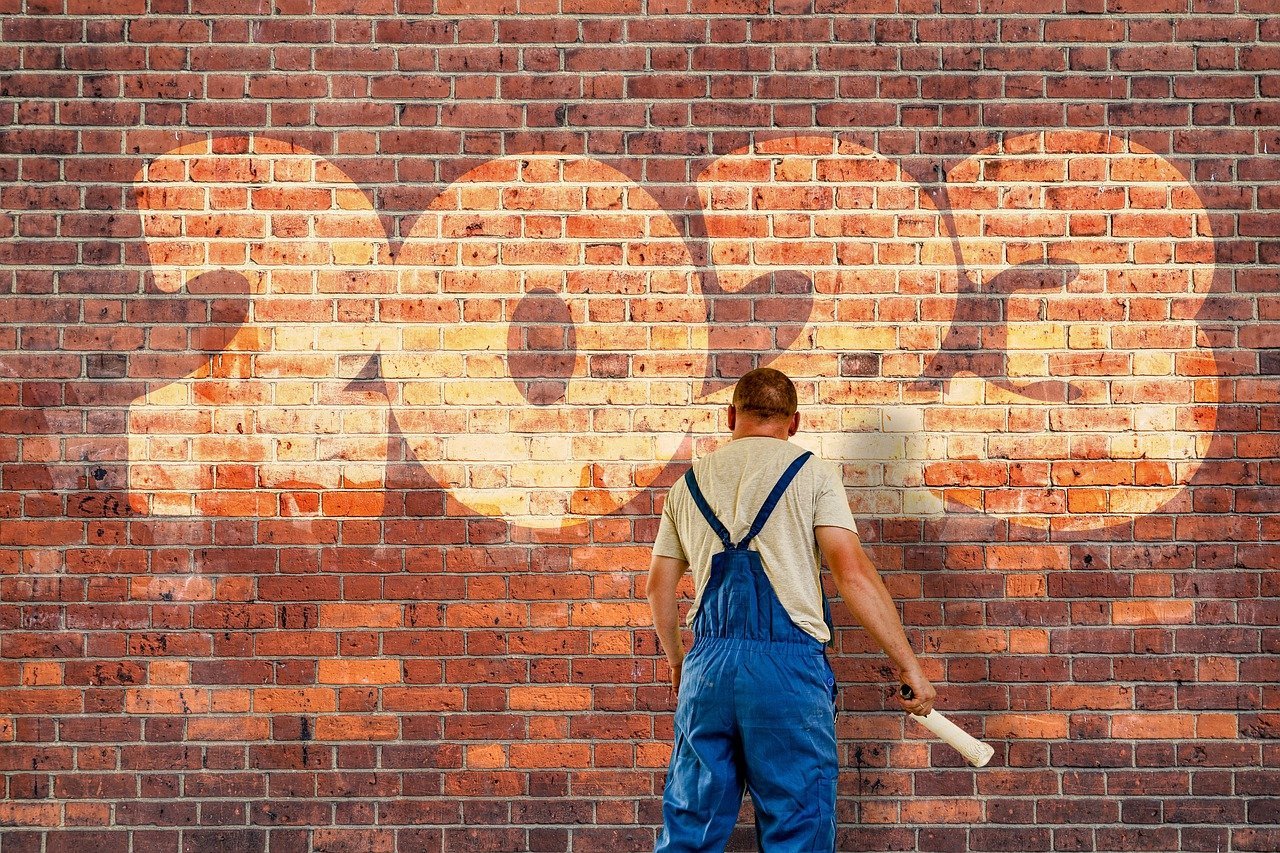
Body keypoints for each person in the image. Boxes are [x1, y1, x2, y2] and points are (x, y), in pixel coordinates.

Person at [646, 367, 937, 852]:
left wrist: (679, 662)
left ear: (731, 415)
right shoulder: (812, 474)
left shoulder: (688, 484)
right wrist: (909, 665)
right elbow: (852, 575)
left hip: (707, 673)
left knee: (690, 830)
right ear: (794, 422)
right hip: (787, 674)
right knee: (798, 830)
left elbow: (658, 588)